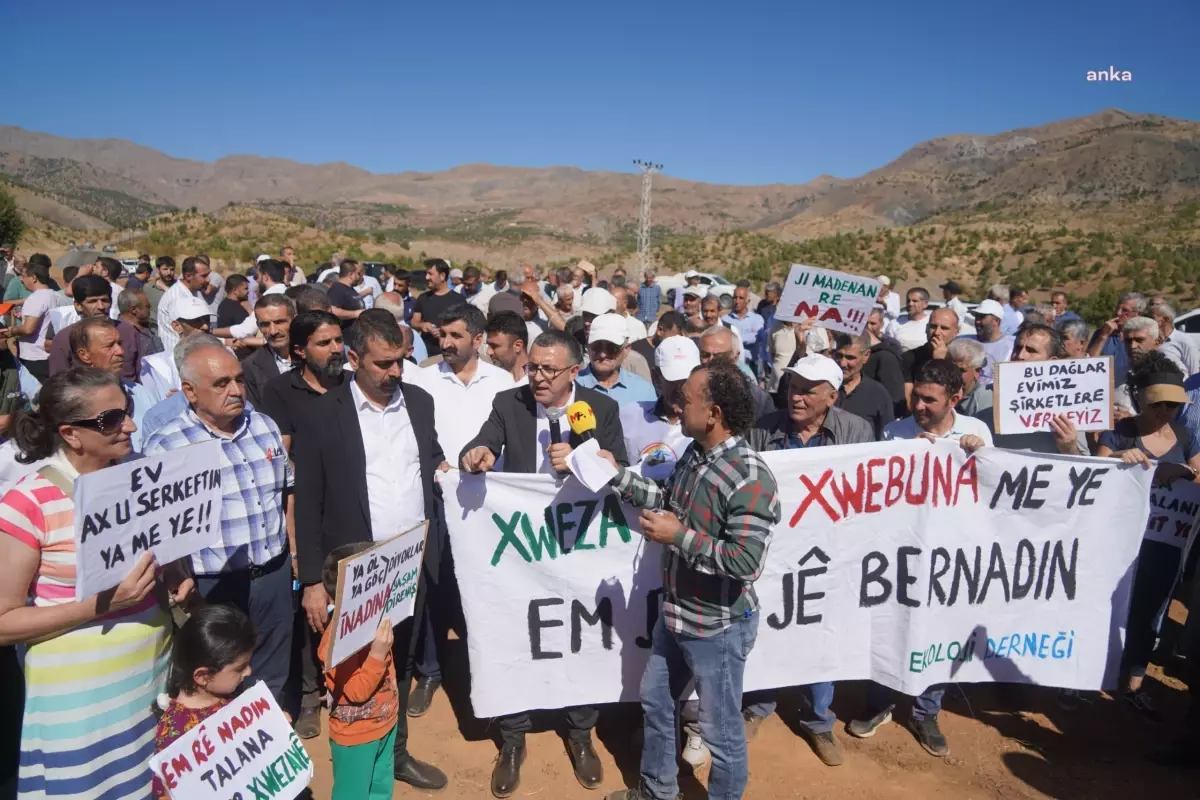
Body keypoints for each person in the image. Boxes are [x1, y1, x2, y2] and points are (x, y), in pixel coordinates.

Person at [0, 368, 187, 799]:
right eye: (111, 420)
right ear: (71, 434)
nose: (132, 426)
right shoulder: (28, 502)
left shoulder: (142, 477)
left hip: (149, 689)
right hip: (79, 713)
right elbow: (4, 619)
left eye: (129, 411)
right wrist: (101, 605)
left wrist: (175, 571)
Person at [603, 360, 781, 800]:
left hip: (717, 628)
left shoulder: (750, 476)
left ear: (714, 412)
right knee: (658, 705)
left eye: (686, 399)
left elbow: (746, 562)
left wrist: (677, 536)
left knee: (721, 735)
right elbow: (666, 499)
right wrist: (616, 475)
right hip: (676, 614)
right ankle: (657, 791)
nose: (677, 406)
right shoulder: (696, 454)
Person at [460, 328, 627, 797]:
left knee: (579, 638)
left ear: (575, 372)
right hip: (520, 553)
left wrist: (585, 459)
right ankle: (512, 738)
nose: (536, 377)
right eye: (532, 367)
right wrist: (477, 454)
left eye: (548, 370)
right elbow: (478, 446)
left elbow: (622, 469)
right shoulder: (508, 403)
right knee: (514, 634)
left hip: (579, 551)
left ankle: (580, 732)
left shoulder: (601, 409)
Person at [292, 309, 449, 792]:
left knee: (398, 663)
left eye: (400, 361)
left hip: (411, 562)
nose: (395, 372)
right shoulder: (321, 414)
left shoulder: (419, 403)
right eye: (383, 364)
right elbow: (309, 499)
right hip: (353, 569)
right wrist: (314, 581)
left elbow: (431, 459)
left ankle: (396, 752)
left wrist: (454, 467)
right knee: (355, 670)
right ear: (353, 358)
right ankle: (359, 769)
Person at [849, 359, 992, 758]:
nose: (920, 406)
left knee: (938, 631)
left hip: (951, 554)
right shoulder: (896, 431)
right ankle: (880, 703)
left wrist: (978, 458)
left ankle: (926, 710)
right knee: (889, 624)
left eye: (930, 400)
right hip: (899, 551)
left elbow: (992, 494)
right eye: (917, 397)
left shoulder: (978, 432)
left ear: (956, 399)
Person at [143, 338, 294, 706]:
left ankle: (269, 739)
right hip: (214, 586)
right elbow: (159, 526)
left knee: (273, 669)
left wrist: (295, 553)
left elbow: (286, 492)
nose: (236, 390)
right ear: (190, 392)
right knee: (221, 679)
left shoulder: (264, 426)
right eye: (221, 383)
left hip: (273, 574)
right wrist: (177, 573)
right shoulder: (167, 446)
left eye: (239, 380)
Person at [740, 354, 873, 767]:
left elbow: (868, 490)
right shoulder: (762, 429)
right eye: (793, 387)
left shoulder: (856, 430)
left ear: (831, 396)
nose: (797, 397)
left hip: (830, 554)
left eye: (808, 390)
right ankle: (757, 705)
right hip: (773, 550)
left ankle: (818, 720)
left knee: (821, 632)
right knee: (764, 627)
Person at [1097, 353, 1200, 720]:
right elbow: (1098, 473)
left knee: (1149, 610)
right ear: (1141, 397)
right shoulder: (1120, 430)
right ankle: (1094, 672)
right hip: (1121, 540)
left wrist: (1183, 470)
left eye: (1174, 405)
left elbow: (1199, 475)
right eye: (1160, 404)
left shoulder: (1185, 435)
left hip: (1164, 543)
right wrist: (1122, 458)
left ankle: (1135, 682)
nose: (1167, 412)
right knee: (1108, 604)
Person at [151, 605, 257, 800]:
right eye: (240, 668)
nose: (249, 671)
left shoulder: (231, 699)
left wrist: (273, 726)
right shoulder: (176, 734)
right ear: (203, 676)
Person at [320, 548, 401, 800]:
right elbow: (356, 692)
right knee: (353, 794)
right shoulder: (335, 643)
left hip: (385, 724)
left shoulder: (374, 622)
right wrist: (377, 654)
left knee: (380, 789)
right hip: (356, 738)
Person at [986, 324, 1088, 455]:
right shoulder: (985, 394)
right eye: (1017, 348)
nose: (1020, 355)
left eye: (1031, 350)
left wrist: (1069, 448)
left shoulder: (1068, 406)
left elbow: (1085, 465)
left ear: (1052, 362)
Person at [68, 317, 156, 451]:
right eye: (109, 346)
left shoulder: (140, 392)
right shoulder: (72, 403)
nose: (120, 352)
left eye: (119, 344)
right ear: (84, 355)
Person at [620, 336, 699, 481]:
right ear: (656, 377)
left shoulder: (710, 424)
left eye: (687, 379)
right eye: (674, 380)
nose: (681, 388)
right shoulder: (628, 416)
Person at [48, 274, 143, 384]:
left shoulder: (128, 331)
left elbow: (140, 372)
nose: (101, 306)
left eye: (104, 300)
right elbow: (58, 384)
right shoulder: (64, 338)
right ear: (78, 305)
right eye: (92, 301)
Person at [140, 294, 214, 402]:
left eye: (207, 320)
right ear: (177, 326)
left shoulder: (226, 354)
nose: (205, 326)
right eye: (197, 321)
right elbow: (159, 405)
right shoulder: (158, 365)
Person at [576, 313, 656, 404]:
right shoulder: (570, 387)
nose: (603, 355)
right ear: (588, 347)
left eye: (611, 348)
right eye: (596, 346)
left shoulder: (643, 390)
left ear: (626, 349)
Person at [698, 326, 774, 419]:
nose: (711, 360)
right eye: (705, 355)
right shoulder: (690, 391)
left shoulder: (758, 398)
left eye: (719, 356)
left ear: (735, 357)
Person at [832, 332, 894, 438]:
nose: (842, 363)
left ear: (866, 356)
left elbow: (887, 438)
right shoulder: (822, 387)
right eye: (839, 355)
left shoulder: (878, 394)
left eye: (850, 358)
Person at [239, 295, 297, 409]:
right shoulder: (250, 367)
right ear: (258, 326)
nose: (273, 331)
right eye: (265, 324)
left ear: (294, 320)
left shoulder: (314, 354)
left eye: (280, 322)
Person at [12, 259, 61, 383]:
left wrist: (11, 330)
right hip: (52, 354)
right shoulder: (58, 296)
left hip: (34, 356)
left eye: (23, 276)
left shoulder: (35, 298)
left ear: (33, 277)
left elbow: (28, 329)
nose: (21, 280)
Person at [901, 307, 961, 407]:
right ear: (926, 328)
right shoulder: (910, 358)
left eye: (944, 328)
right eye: (933, 326)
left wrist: (940, 362)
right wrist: (938, 362)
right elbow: (909, 402)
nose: (937, 333)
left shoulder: (960, 358)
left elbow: (957, 394)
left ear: (956, 332)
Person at [157, 256, 212, 355]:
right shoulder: (178, 298)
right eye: (204, 276)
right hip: (179, 355)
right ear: (188, 276)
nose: (208, 280)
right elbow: (190, 331)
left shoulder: (193, 291)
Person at [411, 259, 466, 356]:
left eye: (430, 274)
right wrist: (423, 325)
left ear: (442, 276)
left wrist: (444, 331)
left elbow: (464, 326)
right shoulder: (422, 298)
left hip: (450, 352)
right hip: (426, 353)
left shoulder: (459, 300)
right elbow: (414, 322)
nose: (426, 277)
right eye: (426, 274)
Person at [1087, 292, 1146, 384]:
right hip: (1103, 390)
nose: (1118, 313)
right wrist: (1103, 337)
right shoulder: (1101, 333)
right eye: (1117, 308)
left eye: (1125, 310)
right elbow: (1089, 364)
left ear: (1138, 314)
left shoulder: (1144, 337)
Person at [1114, 316, 1166, 416]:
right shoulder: (1117, 375)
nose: (1132, 346)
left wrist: (1132, 419)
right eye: (1128, 341)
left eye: (1139, 340)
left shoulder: (1169, 375)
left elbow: (1170, 417)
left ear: (1157, 342)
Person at [964, 299, 1015, 389]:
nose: (977, 321)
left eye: (982, 317)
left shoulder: (1012, 345)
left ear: (996, 320)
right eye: (976, 317)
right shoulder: (964, 341)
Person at [724, 282, 765, 375]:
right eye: (735, 298)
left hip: (751, 364)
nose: (737, 301)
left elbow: (756, 338)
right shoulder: (725, 320)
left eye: (741, 298)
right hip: (731, 366)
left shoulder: (756, 319)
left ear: (748, 300)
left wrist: (734, 338)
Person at [1151, 301, 1200, 376]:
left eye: (1152, 318)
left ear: (1166, 319)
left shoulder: (1183, 340)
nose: (1148, 321)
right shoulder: (1149, 340)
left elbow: (1194, 372)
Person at [947, 338, 992, 418]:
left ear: (977, 372)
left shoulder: (988, 404)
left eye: (961, 370)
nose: (953, 375)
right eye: (950, 368)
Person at [484, 310, 530, 383]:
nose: (488, 352)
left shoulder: (537, 384)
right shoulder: (491, 382)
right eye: (488, 345)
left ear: (518, 346)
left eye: (494, 346)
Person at [119, 289, 164, 356]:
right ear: (134, 310)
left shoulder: (150, 327)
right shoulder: (121, 334)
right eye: (147, 307)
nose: (150, 308)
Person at [886, 287, 932, 352]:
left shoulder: (932, 323)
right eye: (908, 301)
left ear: (925, 304)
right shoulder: (895, 323)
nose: (910, 304)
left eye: (915, 301)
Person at [327, 259, 367, 332]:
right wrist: (356, 313)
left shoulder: (350, 289)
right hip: (346, 338)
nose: (359, 277)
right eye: (358, 273)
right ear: (351, 275)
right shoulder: (337, 289)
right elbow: (333, 311)